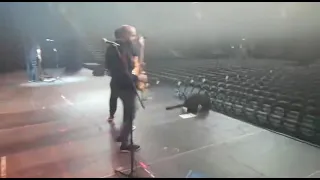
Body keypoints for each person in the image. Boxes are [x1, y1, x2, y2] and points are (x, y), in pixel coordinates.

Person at [105, 25, 147, 152]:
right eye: (133, 34)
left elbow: (135, 63)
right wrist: (137, 77)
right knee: (130, 114)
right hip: (126, 85)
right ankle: (125, 144)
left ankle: (122, 135)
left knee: (128, 112)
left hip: (117, 83)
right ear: (124, 35)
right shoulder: (122, 48)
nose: (135, 37)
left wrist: (140, 47)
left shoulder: (113, 48)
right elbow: (135, 66)